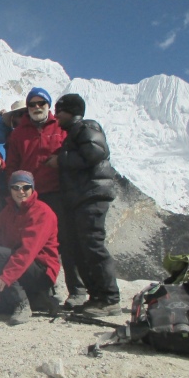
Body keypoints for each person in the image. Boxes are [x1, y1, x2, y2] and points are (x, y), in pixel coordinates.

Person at [6, 87, 87, 306]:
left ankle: (77, 290)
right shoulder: (18, 133)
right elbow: (12, 165)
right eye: (32, 104)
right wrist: (13, 192)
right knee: (31, 243)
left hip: (59, 193)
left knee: (66, 241)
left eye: (41, 103)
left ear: (48, 106)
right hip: (30, 197)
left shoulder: (61, 128)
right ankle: (45, 290)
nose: (36, 108)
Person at [50, 94, 121, 316]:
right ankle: (97, 297)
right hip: (82, 197)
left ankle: (109, 299)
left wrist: (60, 159)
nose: (56, 115)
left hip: (91, 195)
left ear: (71, 110)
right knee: (83, 247)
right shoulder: (74, 132)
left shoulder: (86, 126)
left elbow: (96, 153)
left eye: (59, 110)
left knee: (93, 245)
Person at [0, 171, 60, 325]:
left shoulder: (42, 212)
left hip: (41, 269)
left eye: (26, 187)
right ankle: (38, 299)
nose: (20, 191)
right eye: (16, 187)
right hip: (21, 267)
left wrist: (6, 277)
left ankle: (21, 303)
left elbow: (27, 251)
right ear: (10, 189)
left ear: (33, 189)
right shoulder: (9, 211)